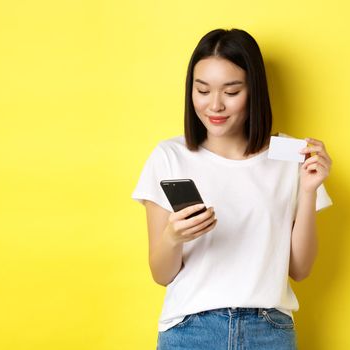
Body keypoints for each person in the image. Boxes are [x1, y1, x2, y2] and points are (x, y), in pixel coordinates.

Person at [132, 28, 333, 350]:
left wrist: (308, 190)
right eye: (202, 90)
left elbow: (300, 269)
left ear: (254, 91)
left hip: (269, 329)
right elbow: (161, 274)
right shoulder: (169, 155)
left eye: (231, 91)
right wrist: (174, 237)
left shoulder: (288, 154)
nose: (215, 105)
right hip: (190, 330)